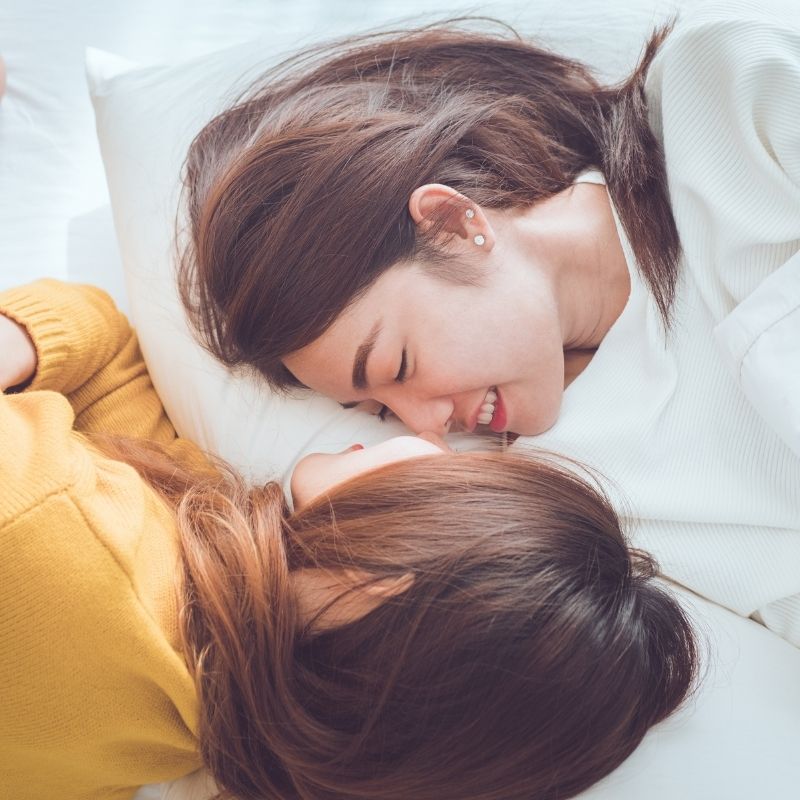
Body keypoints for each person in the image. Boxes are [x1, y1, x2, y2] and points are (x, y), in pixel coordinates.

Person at [176, 3, 800, 643]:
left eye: (398, 367)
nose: (427, 426)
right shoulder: (572, 490)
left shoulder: (726, 93)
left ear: (453, 224)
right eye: (380, 411)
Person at [0, 279, 697, 800]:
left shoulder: (48, 520)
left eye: (456, 476)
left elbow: (97, 332)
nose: (429, 436)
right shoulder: (170, 737)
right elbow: (114, 363)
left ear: (383, 578)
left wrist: (19, 341)